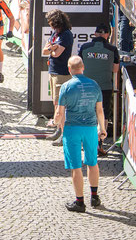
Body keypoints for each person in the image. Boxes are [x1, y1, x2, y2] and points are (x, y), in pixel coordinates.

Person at [55, 56, 106, 212]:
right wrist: (102, 128)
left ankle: (79, 202)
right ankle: (95, 197)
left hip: (72, 129)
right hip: (90, 127)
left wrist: (56, 122)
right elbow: (99, 110)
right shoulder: (94, 85)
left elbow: (60, 112)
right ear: (83, 67)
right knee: (92, 162)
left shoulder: (66, 86)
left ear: (69, 69)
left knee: (76, 167)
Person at [78, 24, 120, 156]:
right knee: (103, 116)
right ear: (108, 34)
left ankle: (85, 142)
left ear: (95, 34)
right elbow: (115, 70)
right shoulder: (112, 49)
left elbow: (79, 66)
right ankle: (99, 143)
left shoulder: (85, 47)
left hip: (86, 86)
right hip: (104, 86)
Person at [42, 9, 74, 146]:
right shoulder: (55, 34)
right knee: (56, 102)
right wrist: (51, 48)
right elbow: (44, 51)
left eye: (50, 22)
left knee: (61, 105)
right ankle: (58, 130)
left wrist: (51, 49)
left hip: (62, 73)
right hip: (53, 71)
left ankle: (64, 134)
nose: (49, 25)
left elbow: (56, 54)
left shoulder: (66, 35)